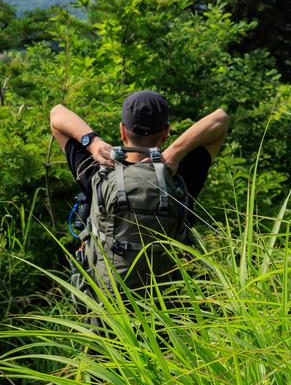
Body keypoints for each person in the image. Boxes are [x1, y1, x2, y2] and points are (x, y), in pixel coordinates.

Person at [49, 91, 229, 289]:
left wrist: (93, 143)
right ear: (166, 133)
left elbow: (57, 114)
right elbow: (220, 120)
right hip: (171, 309)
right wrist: (175, 152)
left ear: (122, 131)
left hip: (109, 308)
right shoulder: (177, 176)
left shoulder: (98, 173)